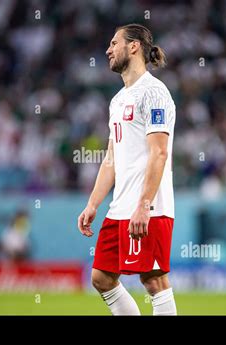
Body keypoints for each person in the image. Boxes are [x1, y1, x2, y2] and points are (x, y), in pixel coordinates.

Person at [77, 24, 177, 315]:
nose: (108, 50)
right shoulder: (118, 100)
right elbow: (112, 157)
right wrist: (94, 203)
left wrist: (144, 205)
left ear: (133, 47)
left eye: (113, 43)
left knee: (153, 280)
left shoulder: (155, 93)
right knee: (101, 278)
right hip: (119, 207)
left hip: (149, 206)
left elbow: (159, 152)